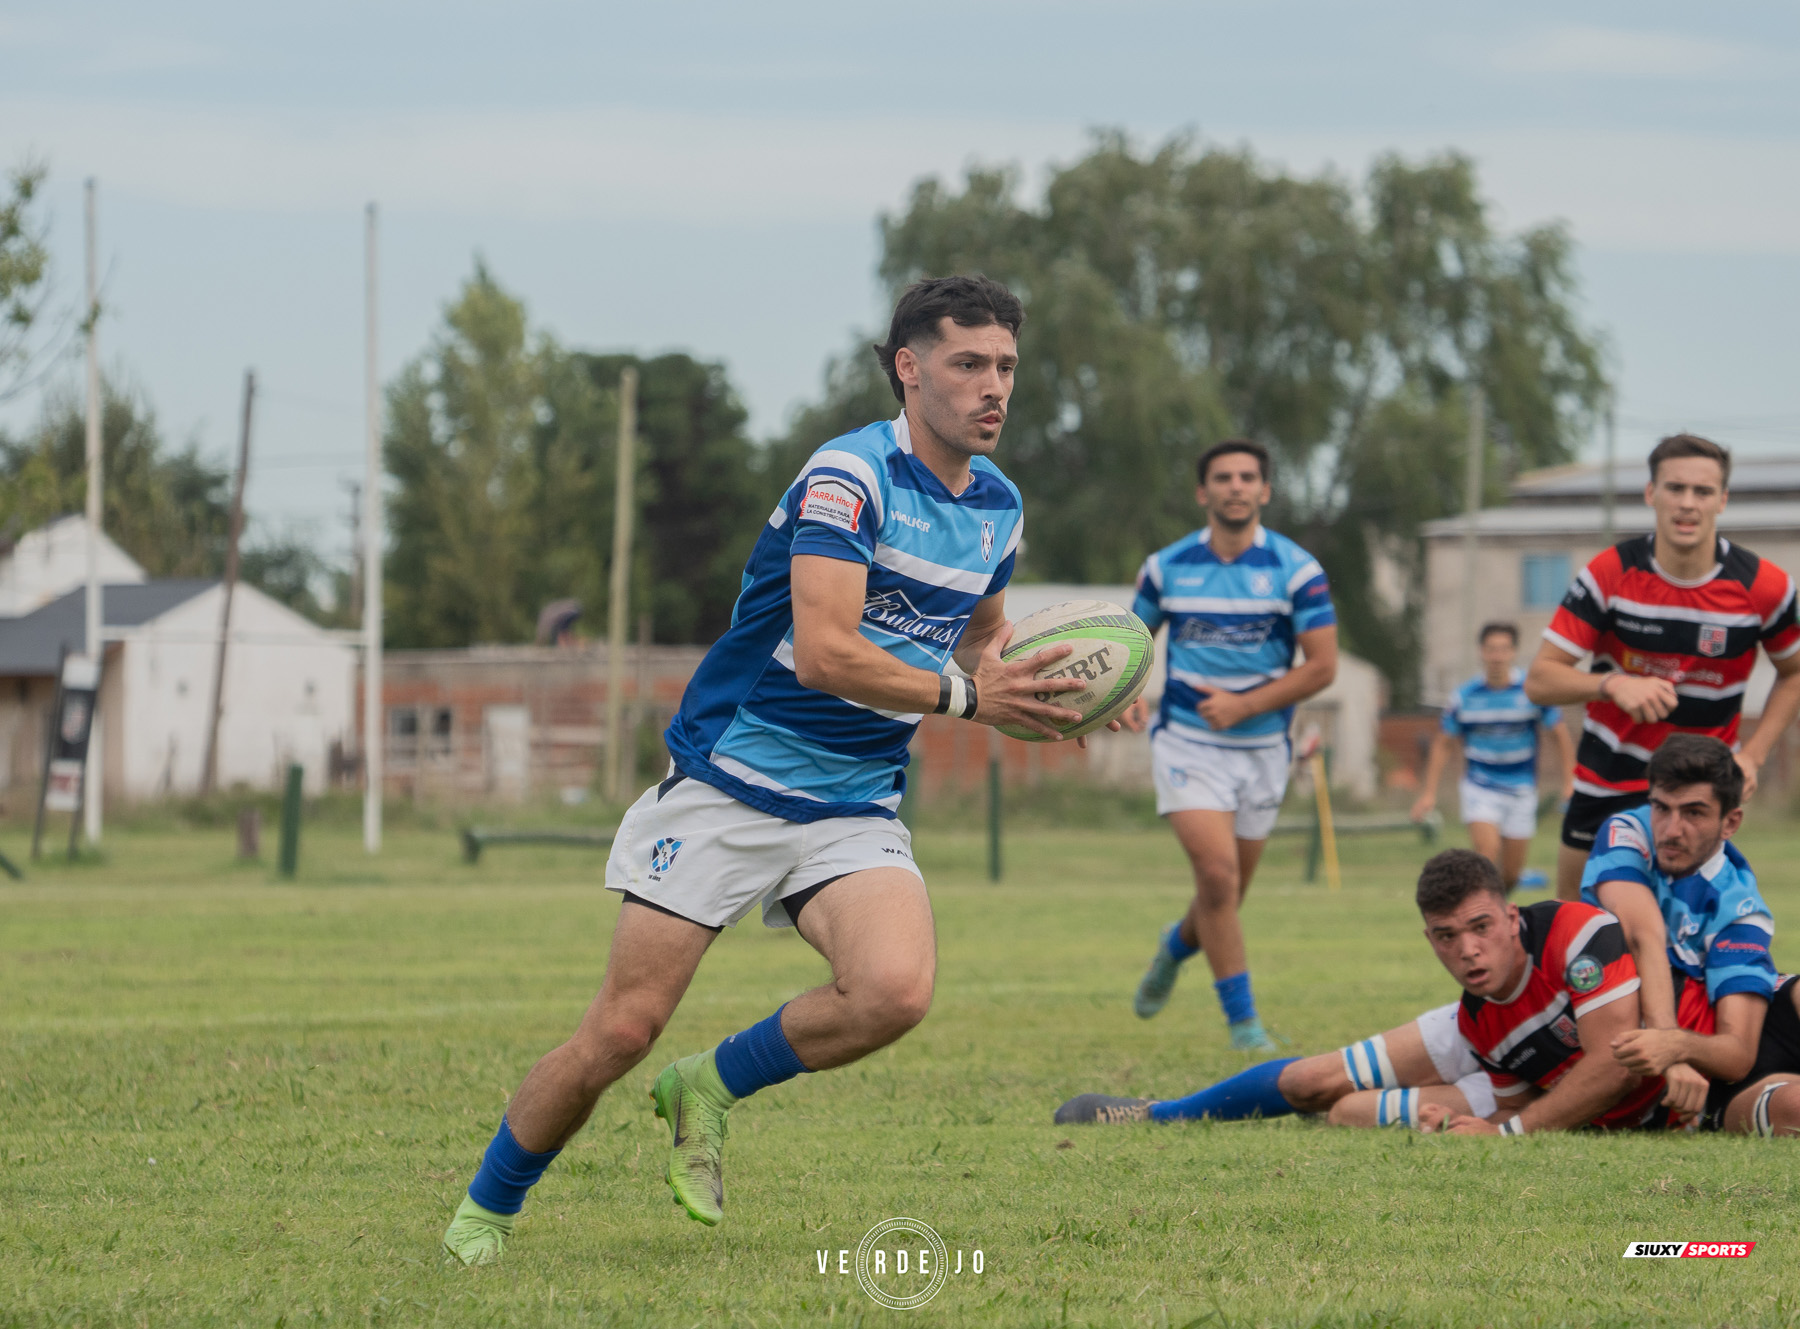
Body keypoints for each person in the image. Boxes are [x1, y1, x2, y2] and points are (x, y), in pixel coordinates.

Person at [441, 275, 1105, 1264]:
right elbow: (830, 648)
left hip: (851, 803)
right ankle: (484, 1214)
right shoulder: (851, 476)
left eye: (1005, 366)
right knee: (621, 1031)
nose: (992, 387)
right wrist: (972, 702)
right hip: (729, 785)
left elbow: (984, 644)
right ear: (909, 368)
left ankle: (706, 1087)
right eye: (969, 364)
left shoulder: (998, 509)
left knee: (893, 991)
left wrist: (1070, 686)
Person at [1058, 849, 1681, 1135]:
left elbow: (1612, 1064)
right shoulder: (1473, 1014)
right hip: (1493, 1047)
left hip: (1529, 1085)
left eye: (1482, 927)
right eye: (1445, 936)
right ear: (1428, 938)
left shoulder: (1576, 935)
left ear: (1513, 917)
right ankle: (1155, 1113)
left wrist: (1505, 1132)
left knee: (1347, 1111)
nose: (1466, 950)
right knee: (1311, 1083)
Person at [1125, 439, 1338, 1050]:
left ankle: (1174, 947)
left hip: (1265, 750)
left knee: (1229, 892)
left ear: (1265, 491)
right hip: (1188, 746)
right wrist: (1128, 690)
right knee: (1217, 880)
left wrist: (1245, 705)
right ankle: (1245, 1026)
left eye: (1248, 477)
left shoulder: (1298, 571)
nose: (1236, 486)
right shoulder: (1166, 567)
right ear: (1204, 492)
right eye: (1223, 477)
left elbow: (1322, 667)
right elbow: (1128, 642)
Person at [1524, 433, 1800, 900]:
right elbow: (1539, 679)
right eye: (1675, 488)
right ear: (1651, 494)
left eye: (1703, 491)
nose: (1687, 504)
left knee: (1684, 946)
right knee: (1580, 934)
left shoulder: (1765, 588)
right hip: (1606, 779)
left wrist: (1752, 755)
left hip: (1698, 790)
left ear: (1723, 500)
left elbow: (1793, 671)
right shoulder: (1609, 574)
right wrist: (1612, 684)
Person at [1579, 733, 1790, 1133]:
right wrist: (1669, 1051)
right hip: (1582, 1018)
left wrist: (1672, 1046)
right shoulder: (1629, 830)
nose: (1671, 830)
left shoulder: (1742, 910)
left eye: (1693, 813)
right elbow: (1643, 935)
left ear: (1731, 822)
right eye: (1661, 807)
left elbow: (1738, 1051)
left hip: (1672, 1059)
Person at [1412, 622, 1573, 890]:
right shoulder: (1464, 696)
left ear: (1513, 652)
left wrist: (1569, 780)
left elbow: (1559, 734)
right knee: (1486, 853)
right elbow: (1443, 744)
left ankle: (1493, 915)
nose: (1497, 656)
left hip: (1521, 789)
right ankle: (1481, 920)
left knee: (1510, 874)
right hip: (1480, 787)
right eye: (1491, 650)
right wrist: (1428, 792)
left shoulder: (1532, 691)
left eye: (1503, 649)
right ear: (1481, 653)